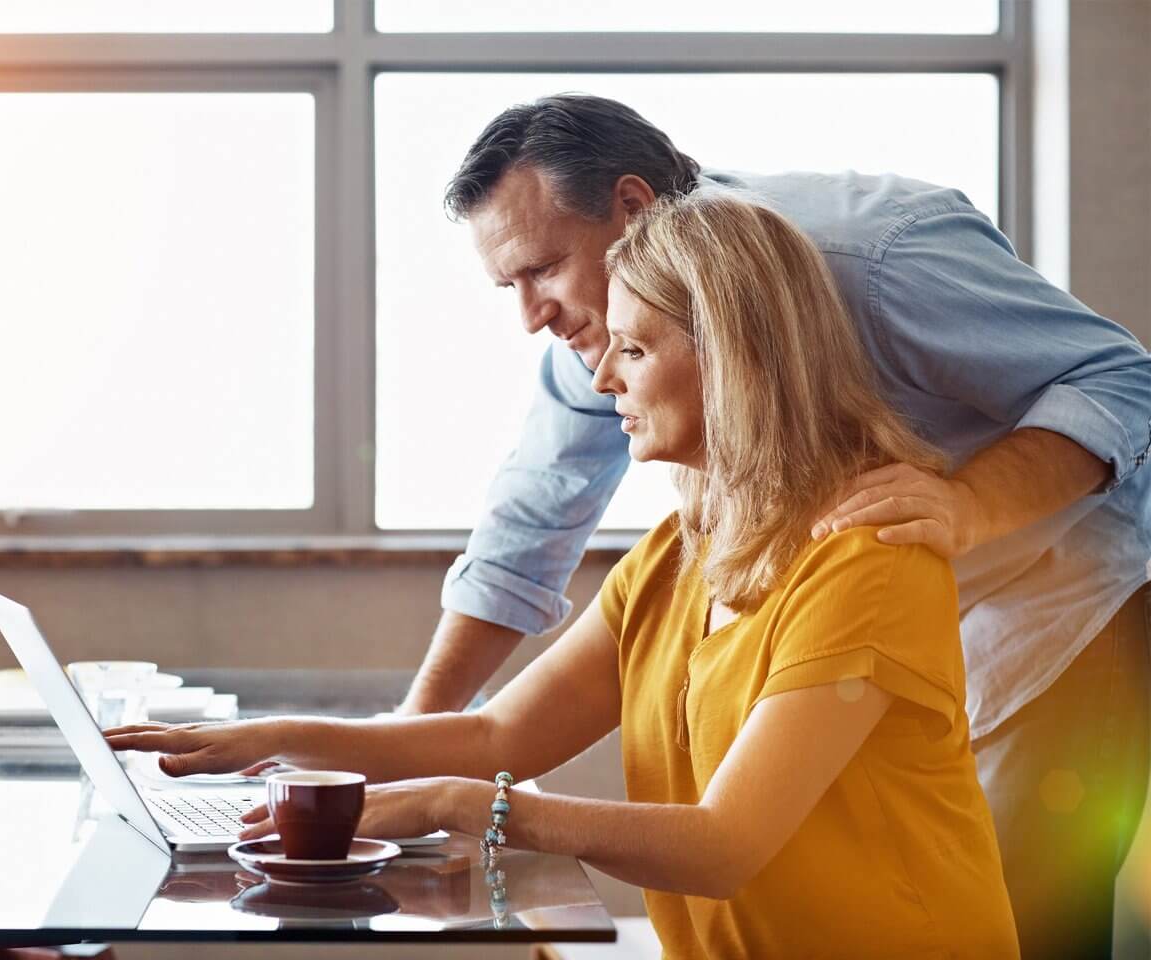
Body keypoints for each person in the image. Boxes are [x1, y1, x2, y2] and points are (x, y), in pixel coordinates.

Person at [109, 190, 1019, 958]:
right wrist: (273, 739)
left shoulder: (869, 561)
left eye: (634, 349)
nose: (602, 382)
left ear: (735, 355)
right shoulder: (677, 556)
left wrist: (457, 806)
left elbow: (725, 844)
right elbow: (499, 735)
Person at [399, 94, 1151, 958]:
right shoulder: (603, 333)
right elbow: (527, 526)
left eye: (541, 270)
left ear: (633, 208)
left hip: (1047, 599)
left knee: (1033, 914)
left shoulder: (877, 255)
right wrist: (417, 751)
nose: (532, 314)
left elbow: (1121, 384)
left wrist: (969, 504)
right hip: (859, 604)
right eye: (510, 286)